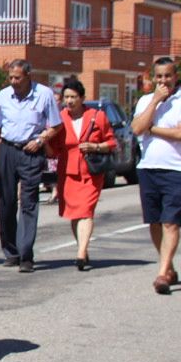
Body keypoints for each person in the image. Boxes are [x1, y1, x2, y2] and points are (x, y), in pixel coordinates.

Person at [131, 57, 181, 295]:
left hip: (177, 169)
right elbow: (137, 128)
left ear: (175, 76)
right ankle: (167, 265)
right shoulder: (146, 100)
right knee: (155, 221)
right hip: (149, 167)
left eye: (167, 76)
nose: (163, 81)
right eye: (159, 76)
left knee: (171, 221)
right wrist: (156, 102)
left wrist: (153, 129)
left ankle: (162, 274)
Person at [0, 60, 60, 272]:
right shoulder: (3, 96)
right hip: (7, 150)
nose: (13, 82)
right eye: (10, 78)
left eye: (17, 78)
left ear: (28, 76)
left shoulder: (44, 94)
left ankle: (26, 254)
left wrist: (40, 141)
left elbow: (56, 125)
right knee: (6, 202)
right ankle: (11, 251)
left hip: (31, 151)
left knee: (28, 202)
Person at [50, 78, 115, 271]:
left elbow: (112, 143)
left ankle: (80, 254)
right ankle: (83, 248)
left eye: (73, 97)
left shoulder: (97, 116)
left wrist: (95, 146)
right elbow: (53, 150)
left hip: (91, 173)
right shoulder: (59, 118)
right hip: (68, 172)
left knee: (86, 211)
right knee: (75, 214)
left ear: (82, 98)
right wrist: (43, 138)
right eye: (66, 97)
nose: (69, 101)